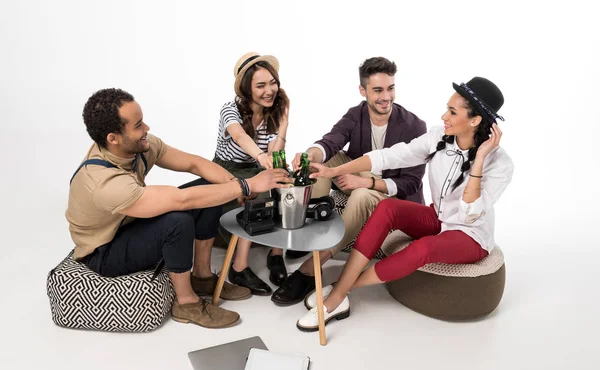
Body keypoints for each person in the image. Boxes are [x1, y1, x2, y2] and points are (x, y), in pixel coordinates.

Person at [295, 77, 514, 331]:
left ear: (475, 120)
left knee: (424, 248)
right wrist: (334, 172)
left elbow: (469, 214)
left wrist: (478, 162)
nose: (444, 116)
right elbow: (389, 156)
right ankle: (342, 289)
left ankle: (338, 295)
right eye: (447, 108)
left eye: (452, 112)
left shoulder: (500, 164)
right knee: (387, 208)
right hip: (439, 218)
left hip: (470, 235)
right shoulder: (438, 137)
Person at [66, 88, 292, 329]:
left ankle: (202, 276)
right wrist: (246, 185)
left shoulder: (136, 146)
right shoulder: (103, 182)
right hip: (104, 250)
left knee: (209, 187)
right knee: (177, 221)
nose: (147, 129)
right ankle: (185, 303)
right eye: (138, 125)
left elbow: (194, 164)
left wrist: (234, 185)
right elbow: (182, 201)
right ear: (113, 138)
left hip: (126, 223)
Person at [271, 57, 427, 306]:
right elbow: (332, 140)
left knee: (362, 196)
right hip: (360, 172)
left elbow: (412, 183)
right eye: (378, 90)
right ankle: (310, 229)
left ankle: (312, 266)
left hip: (389, 190)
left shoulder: (415, 126)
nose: (386, 97)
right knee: (317, 164)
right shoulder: (356, 114)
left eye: (390, 88)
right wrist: (311, 155)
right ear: (363, 91)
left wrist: (364, 183)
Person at [212, 52, 291, 295]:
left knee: (287, 185)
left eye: (272, 82)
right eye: (261, 85)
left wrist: (284, 124)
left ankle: (277, 253)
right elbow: (240, 136)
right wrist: (260, 157)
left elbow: (274, 155)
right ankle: (239, 267)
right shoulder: (230, 109)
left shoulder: (272, 112)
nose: (270, 90)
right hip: (226, 171)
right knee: (256, 193)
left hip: (257, 167)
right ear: (247, 89)